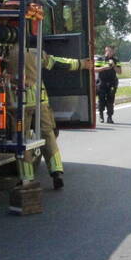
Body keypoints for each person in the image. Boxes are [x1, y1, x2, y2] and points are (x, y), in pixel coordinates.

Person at [38, 50, 93, 188]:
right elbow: (59, 63)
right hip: (39, 102)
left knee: (21, 139)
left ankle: (25, 178)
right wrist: (81, 64)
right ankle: (56, 172)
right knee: (48, 136)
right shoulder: (35, 54)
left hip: (15, 104)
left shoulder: (7, 56)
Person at [95, 44, 119, 123]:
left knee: (110, 100)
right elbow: (95, 69)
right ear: (105, 50)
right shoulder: (101, 59)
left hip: (112, 82)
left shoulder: (115, 59)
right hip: (102, 82)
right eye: (108, 51)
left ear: (113, 52)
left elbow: (120, 71)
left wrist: (114, 65)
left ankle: (109, 117)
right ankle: (101, 115)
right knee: (101, 99)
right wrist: (104, 67)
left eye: (111, 51)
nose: (109, 52)